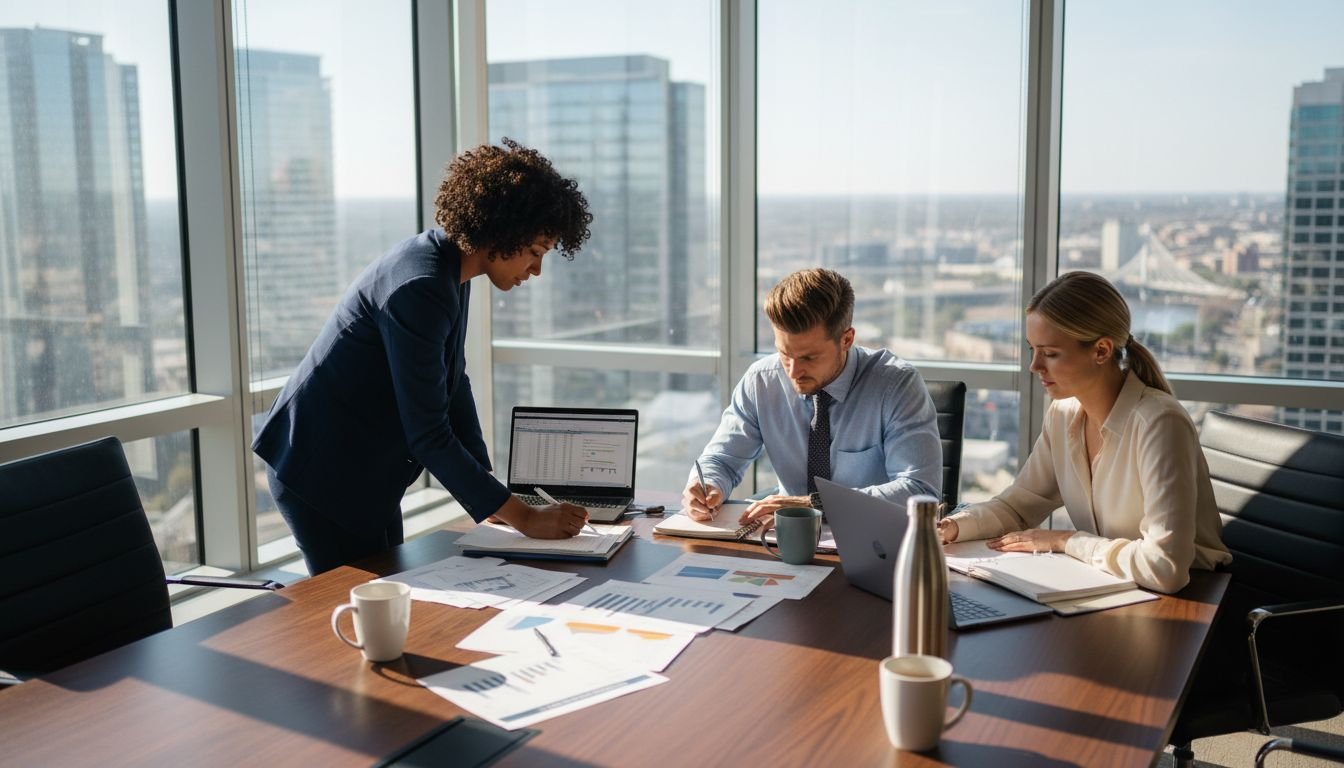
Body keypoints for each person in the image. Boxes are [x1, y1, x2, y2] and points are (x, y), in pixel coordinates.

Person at [254, 138, 594, 575]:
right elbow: (428, 433)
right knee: (362, 611)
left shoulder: (452, 271)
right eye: (535, 252)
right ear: (502, 233)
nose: (536, 270)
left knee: (392, 600)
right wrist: (522, 517)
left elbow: (453, 384)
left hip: (363, 474)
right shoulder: (421, 284)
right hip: (323, 474)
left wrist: (491, 495)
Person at [937, 271, 1231, 593]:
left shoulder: (1159, 423)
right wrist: (952, 527)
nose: (1035, 366)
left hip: (1194, 602)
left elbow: (1165, 567)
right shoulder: (1064, 414)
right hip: (1116, 588)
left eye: (1050, 353)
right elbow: (1019, 506)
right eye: (1032, 350)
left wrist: (1066, 540)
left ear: (1102, 351)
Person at [684, 268, 942, 528]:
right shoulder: (762, 380)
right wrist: (706, 486)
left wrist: (814, 504)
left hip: (872, 541)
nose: (793, 372)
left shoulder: (896, 385)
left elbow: (920, 492)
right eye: (784, 354)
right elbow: (721, 460)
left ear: (846, 339)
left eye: (809, 357)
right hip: (784, 540)